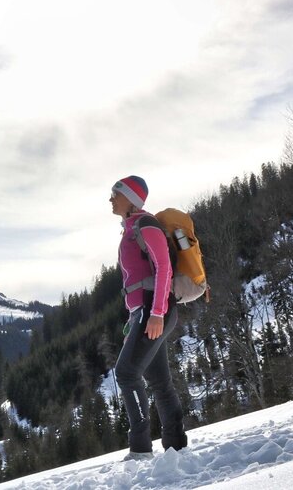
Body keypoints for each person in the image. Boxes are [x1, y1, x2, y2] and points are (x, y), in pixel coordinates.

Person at [109, 175, 188, 460]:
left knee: (126, 373)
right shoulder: (132, 228)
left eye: (115, 194)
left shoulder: (146, 225)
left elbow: (163, 267)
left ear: (131, 198)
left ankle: (140, 448)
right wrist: (137, 316)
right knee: (159, 381)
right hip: (145, 311)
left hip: (154, 309)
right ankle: (176, 446)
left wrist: (155, 313)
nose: (110, 200)